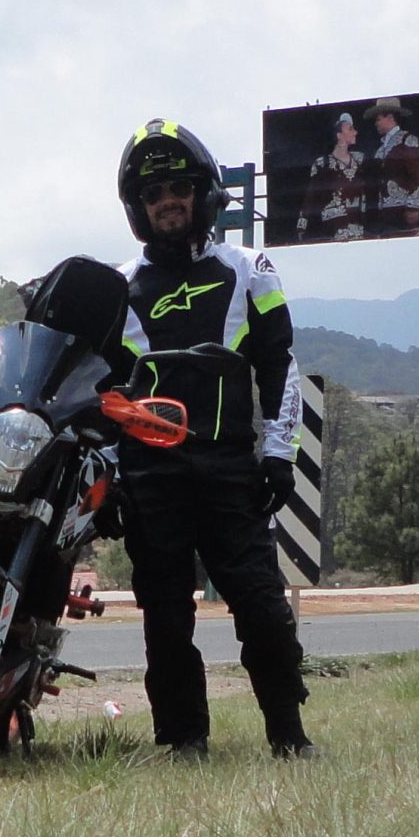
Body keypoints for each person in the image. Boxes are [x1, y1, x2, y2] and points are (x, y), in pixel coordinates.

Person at [108, 119, 318, 761]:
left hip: (230, 467)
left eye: (177, 186)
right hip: (151, 472)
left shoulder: (249, 267)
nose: (166, 200)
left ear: (203, 192)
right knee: (165, 616)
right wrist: (114, 473)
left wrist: (279, 456)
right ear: (138, 209)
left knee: (260, 604)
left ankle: (288, 734)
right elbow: (105, 390)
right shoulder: (119, 287)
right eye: (152, 193)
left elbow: (280, 364)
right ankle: (183, 741)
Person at [294, 111, 366, 242]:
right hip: (331, 228)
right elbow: (311, 197)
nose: (355, 132)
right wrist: (302, 225)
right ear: (339, 135)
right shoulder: (322, 164)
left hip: (359, 227)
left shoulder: (360, 160)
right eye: (350, 129)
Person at [364, 96, 419, 236]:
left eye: (378, 119)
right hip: (387, 214)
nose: (376, 123)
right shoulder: (380, 149)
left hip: (406, 211)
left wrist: (413, 208)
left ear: (390, 117)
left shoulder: (407, 140)